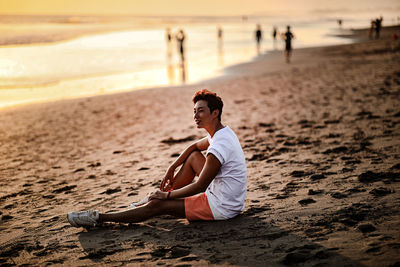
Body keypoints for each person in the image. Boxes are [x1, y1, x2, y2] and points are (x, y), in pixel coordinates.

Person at [67, 89, 248, 228]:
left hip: (221, 207)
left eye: (200, 111)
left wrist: (166, 195)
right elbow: (193, 147)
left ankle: (99, 218)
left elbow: (200, 185)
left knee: (157, 206)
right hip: (227, 196)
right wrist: (172, 167)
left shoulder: (219, 145)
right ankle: (158, 200)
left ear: (215, 113)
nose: (195, 116)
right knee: (193, 157)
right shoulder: (221, 133)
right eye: (194, 111)